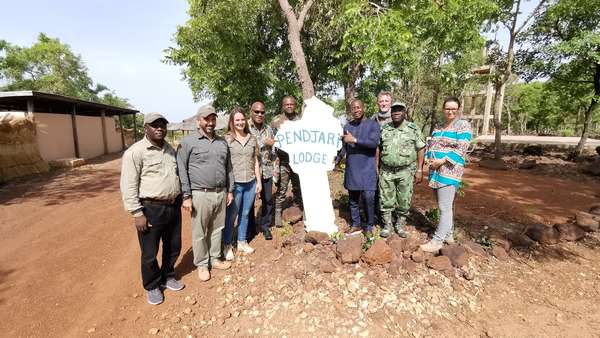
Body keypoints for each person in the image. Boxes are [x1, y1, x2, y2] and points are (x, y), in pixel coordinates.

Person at [120, 112, 183, 305]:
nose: (159, 128)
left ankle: (168, 275)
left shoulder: (169, 150)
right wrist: (137, 213)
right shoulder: (135, 152)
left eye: (162, 125)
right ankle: (152, 285)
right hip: (150, 208)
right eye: (155, 125)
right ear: (145, 128)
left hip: (173, 206)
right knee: (149, 252)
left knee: (173, 246)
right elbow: (128, 184)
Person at [177, 105, 233, 282]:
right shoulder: (188, 142)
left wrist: (229, 190)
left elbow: (228, 168)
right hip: (200, 194)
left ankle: (215, 258)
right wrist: (186, 196)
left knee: (217, 228)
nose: (210, 122)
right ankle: (201, 263)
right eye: (206, 119)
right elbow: (181, 169)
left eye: (213, 119)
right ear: (198, 121)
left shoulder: (222, 142)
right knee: (200, 231)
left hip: (220, 193)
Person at [420, 96, 472, 253]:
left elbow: (462, 147)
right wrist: (430, 158)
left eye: (453, 109)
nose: (450, 111)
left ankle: (437, 241)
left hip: (449, 171)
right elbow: (431, 144)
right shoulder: (439, 126)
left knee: (444, 206)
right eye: (448, 108)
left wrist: (442, 161)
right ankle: (449, 235)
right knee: (444, 205)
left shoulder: (463, 126)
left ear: (458, 110)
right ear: (444, 109)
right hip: (435, 171)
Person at [378, 102, 425, 238]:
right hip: (386, 170)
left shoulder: (413, 129)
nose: (396, 113)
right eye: (394, 110)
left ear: (404, 112)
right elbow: (378, 148)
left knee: (404, 199)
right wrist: (377, 167)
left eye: (399, 110)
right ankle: (387, 225)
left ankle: (400, 224)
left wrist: (420, 170)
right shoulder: (384, 128)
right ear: (391, 113)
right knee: (385, 199)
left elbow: (421, 148)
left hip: (405, 171)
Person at [335, 99, 380, 234]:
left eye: (358, 107)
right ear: (351, 110)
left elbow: (373, 144)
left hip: (367, 169)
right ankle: (356, 224)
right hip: (352, 169)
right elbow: (344, 148)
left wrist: (354, 139)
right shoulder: (347, 126)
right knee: (353, 200)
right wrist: (336, 160)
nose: (356, 110)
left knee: (369, 199)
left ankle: (370, 225)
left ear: (363, 107)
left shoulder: (373, 124)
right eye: (353, 108)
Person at [223, 107, 262, 260]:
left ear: (246, 120)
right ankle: (227, 244)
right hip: (235, 184)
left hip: (250, 182)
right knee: (232, 215)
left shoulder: (252, 138)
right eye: (236, 120)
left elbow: (255, 161)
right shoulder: (227, 139)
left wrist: (258, 181)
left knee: (245, 213)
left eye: (242, 119)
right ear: (232, 122)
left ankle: (241, 241)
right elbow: (224, 163)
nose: (240, 122)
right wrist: (227, 188)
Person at [270, 95, 303, 227]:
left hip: (299, 161)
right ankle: (278, 215)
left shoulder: (301, 120)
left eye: (291, 104)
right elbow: (271, 140)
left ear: (295, 105)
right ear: (283, 106)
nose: (289, 106)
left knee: (298, 187)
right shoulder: (276, 121)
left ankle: (299, 212)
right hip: (283, 161)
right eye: (286, 104)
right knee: (281, 189)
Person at [248, 101, 276, 240]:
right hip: (250, 172)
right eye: (256, 112)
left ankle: (265, 226)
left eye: (262, 112)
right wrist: (263, 143)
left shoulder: (268, 129)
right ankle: (250, 229)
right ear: (251, 112)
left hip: (267, 170)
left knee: (268, 200)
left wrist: (274, 171)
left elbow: (273, 150)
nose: (259, 114)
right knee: (249, 201)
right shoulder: (244, 127)